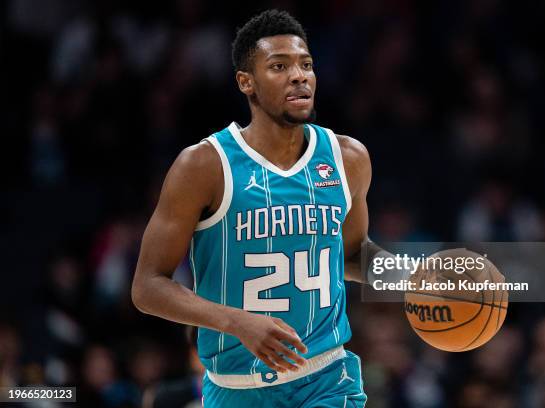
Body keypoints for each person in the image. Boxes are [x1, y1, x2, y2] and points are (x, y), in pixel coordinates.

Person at [132, 9, 382, 407]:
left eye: (306, 64)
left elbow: (352, 255)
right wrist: (236, 322)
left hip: (328, 380)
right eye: (279, 66)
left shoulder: (347, 157)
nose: (299, 75)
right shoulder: (203, 165)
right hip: (236, 388)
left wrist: (416, 276)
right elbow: (147, 286)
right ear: (246, 82)